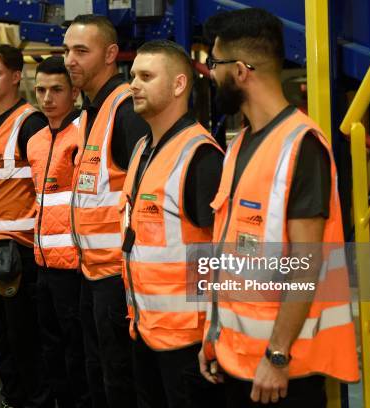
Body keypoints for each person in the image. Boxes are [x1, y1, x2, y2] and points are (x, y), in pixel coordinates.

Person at [198, 8, 359, 407]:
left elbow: (307, 263)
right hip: (235, 361)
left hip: (282, 373)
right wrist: (213, 336)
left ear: (240, 71)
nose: (209, 74)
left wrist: (277, 355)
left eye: (214, 64)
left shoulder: (300, 144)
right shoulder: (239, 146)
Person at [122, 39, 225, 408]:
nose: (133, 84)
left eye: (146, 76)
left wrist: (216, 338)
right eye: (132, 75)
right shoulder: (142, 149)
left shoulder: (200, 156)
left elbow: (225, 257)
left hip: (189, 344)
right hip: (146, 332)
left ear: (179, 85)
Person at [63, 14, 149, 408]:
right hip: (92, 273)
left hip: (119, 277)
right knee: (98, 376)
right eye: (67, 50)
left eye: (81, 51)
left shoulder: (125, 109)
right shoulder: (90, 114)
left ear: (111, 54)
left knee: (120, 382)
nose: (70, 60)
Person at [0, 44, 52, 408]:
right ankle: (13, 400)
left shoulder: (30, 123)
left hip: (18, 254)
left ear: (16, 76)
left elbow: (45, 188)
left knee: (25, 342)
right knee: (0, 339)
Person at [27, 56, 91, 408]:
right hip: (43, 264)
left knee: (76, 349)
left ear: (74, 92)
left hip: (75, 266)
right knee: (50, 347)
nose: (47, 98)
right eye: (41, 90)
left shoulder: (83, 136)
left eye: (56, 90)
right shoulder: (35, 141)